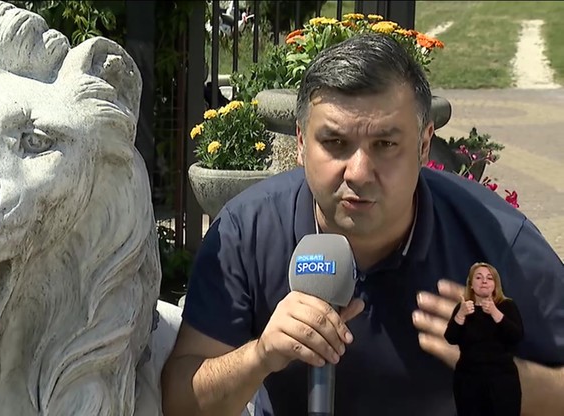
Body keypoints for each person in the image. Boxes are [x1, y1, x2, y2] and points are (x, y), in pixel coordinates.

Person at [160, 33, 564, 416]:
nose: (358, 172)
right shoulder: (246, 231)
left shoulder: (498, 240)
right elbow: (181, 402)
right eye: (335, 143)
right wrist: (260, 355)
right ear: (300, 143)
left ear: (424, 144)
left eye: (385, 145)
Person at [444, 262, 524, 416]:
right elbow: (451, 338)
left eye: (489, 278)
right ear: (471, 284)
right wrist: (460, 315)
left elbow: (516, 336)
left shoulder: (507, 306)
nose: (484, 281)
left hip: (502, 378)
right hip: (469, 379)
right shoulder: (463, 308)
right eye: (479, 278)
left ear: (495, 284)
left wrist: (495, 313)